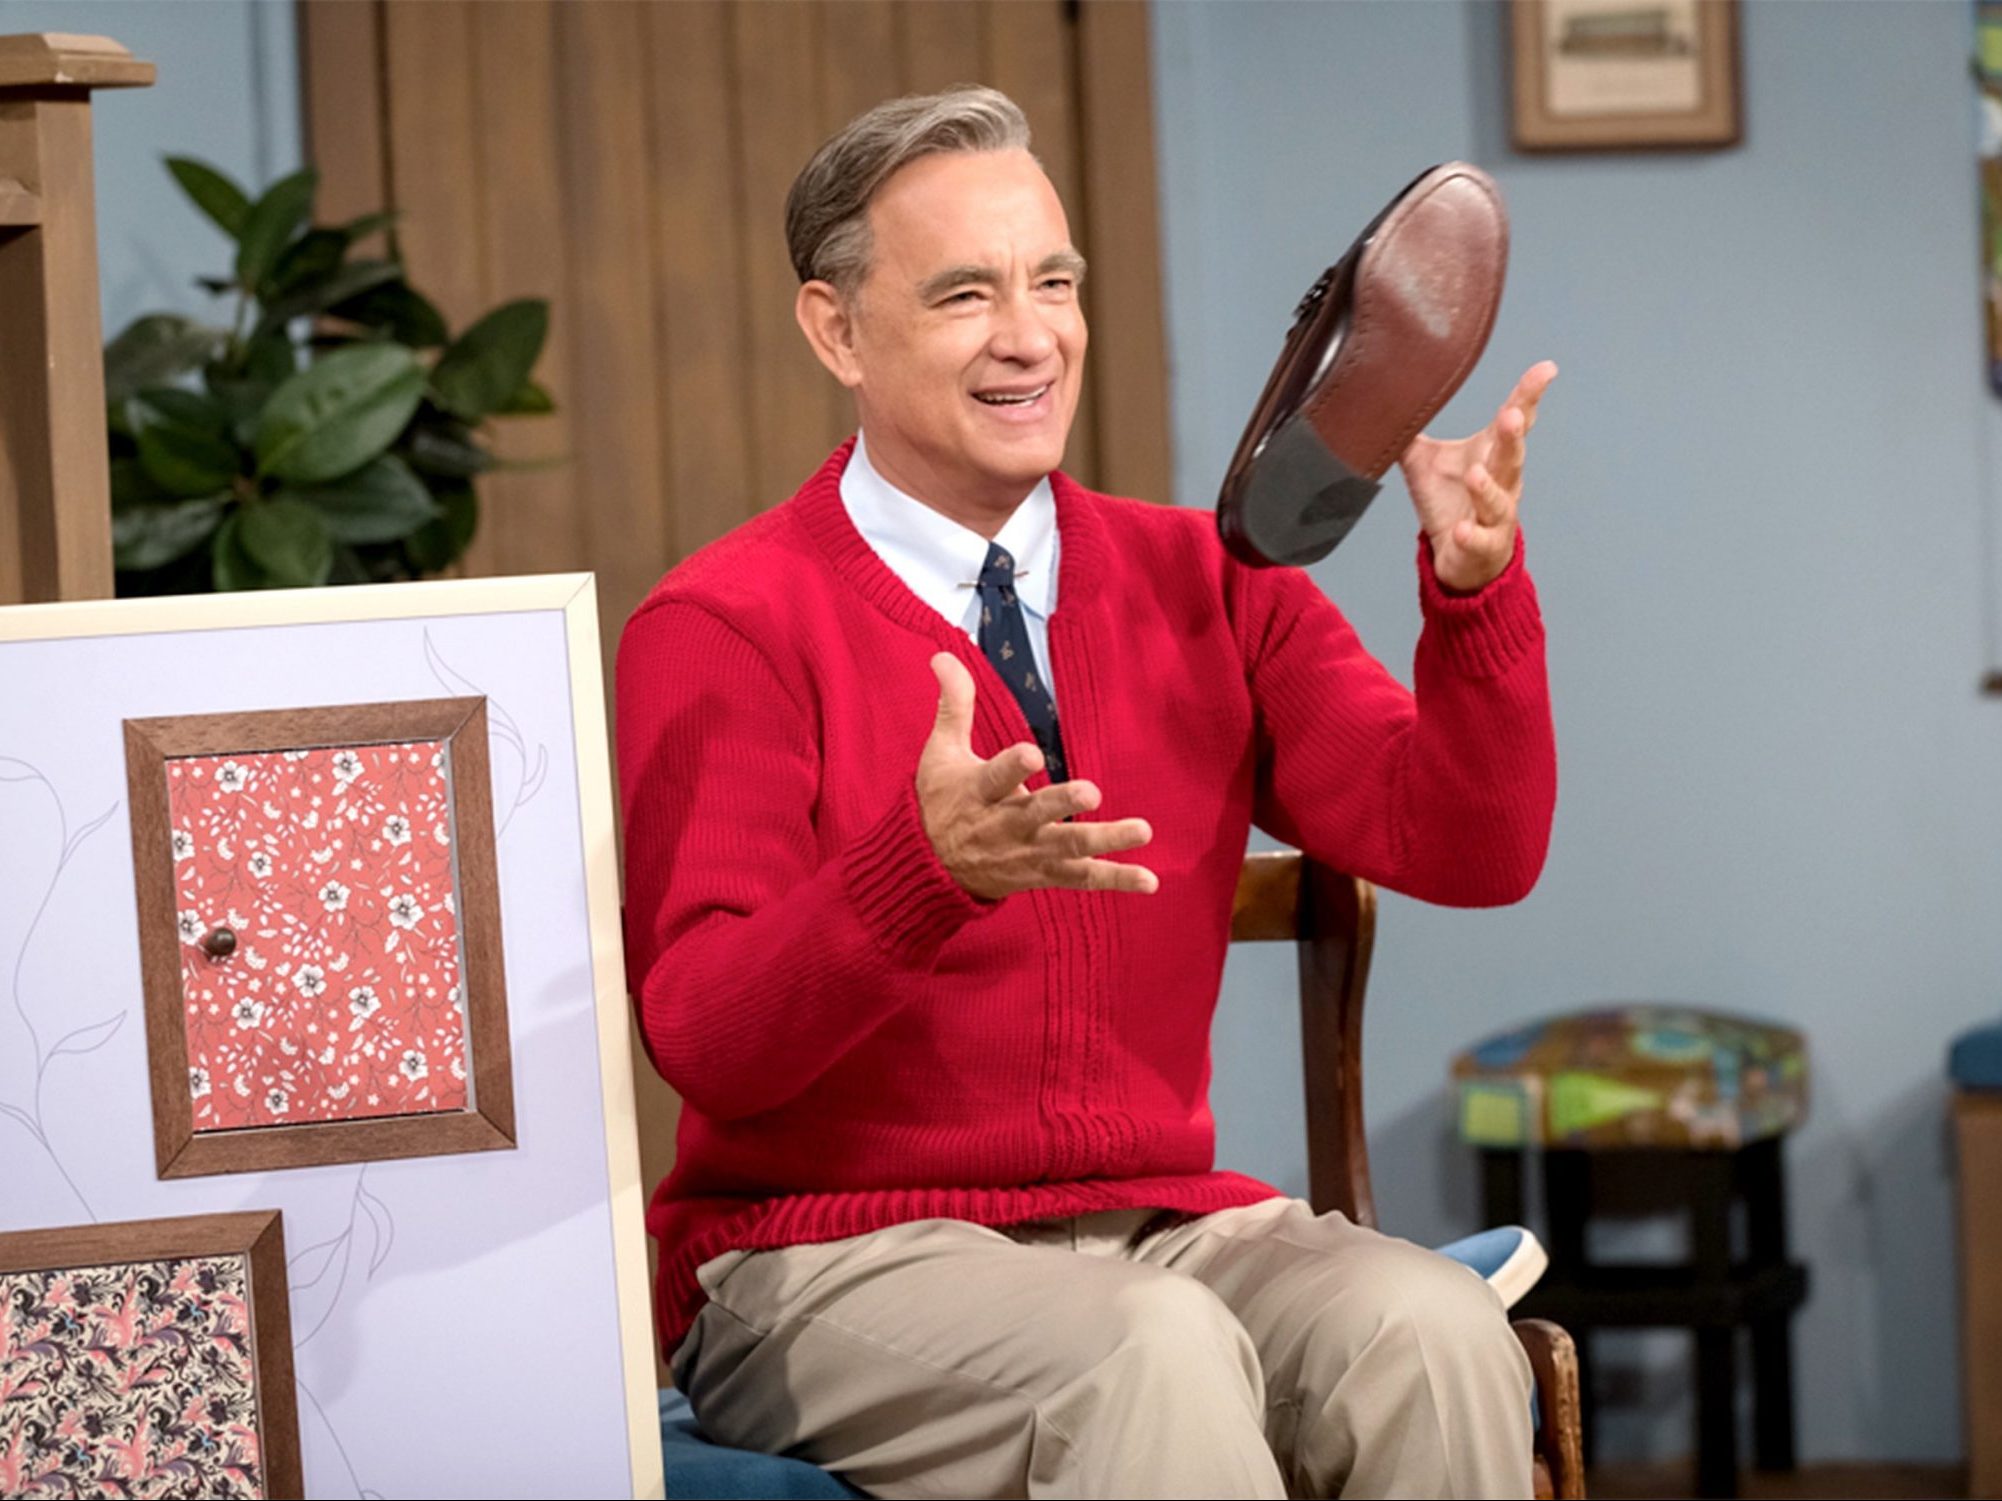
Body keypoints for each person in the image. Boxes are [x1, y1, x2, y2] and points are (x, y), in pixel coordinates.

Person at [617, 85, 1559, 1500]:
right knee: (1150, 1349)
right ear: (836, 330)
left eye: (1052, 283)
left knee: (1428, 1326)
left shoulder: (1216, 581)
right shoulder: (724, 623)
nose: (1030, 335)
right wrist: (923, 871)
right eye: (965, 294)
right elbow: (706, 1037)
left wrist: (1473, 596)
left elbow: (1472, 847)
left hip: (1156, 1223)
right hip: (817, 1258)